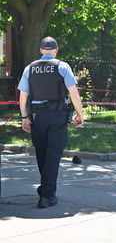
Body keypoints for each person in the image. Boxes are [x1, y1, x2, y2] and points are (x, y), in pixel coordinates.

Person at [18, 36, 84, 208]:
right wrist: (80, 113)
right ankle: (47, 195)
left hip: (38, 116)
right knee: (53, 154)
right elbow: (74, 94)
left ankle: (46, 190)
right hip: (58, 116)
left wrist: (24, 118)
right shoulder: (62, 66)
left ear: (41, 50)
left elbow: (23, 96)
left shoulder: (29, 69)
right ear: (56, 50)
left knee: (42, 153)